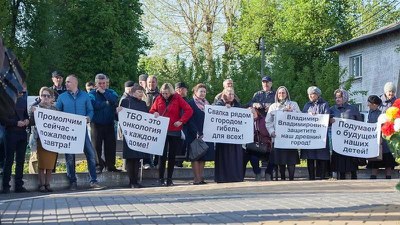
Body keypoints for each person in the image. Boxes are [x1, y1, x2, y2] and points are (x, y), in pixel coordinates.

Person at [56, 75, 103, 190]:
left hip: (82, 131)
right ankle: (73, 182)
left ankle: (93, 181)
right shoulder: (61, 97)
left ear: (75, 83)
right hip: (68, 132)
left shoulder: (85, 96)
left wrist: (88, 117)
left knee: (91, 155)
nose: (66, 84)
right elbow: (57, 113)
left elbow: (90, 110)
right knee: (70, 157)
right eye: (66, 82)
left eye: (68, 82)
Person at [150, 83, 193, 186]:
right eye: (163, 93)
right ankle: (160, 178)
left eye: (167, 93)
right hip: (162, 130)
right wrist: (154, 113)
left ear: (171, 92)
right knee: (162, 155)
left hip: (174, 130)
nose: (165, 95)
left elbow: (189, 110)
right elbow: (152, 110)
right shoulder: (158, 98)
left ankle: (169, 179)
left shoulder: (177, 98)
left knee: (172, 155)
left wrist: (181, 121)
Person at [266, 86, 301, 181]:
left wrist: (291, 112)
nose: (281, 94)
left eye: (283, 93)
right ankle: (282, 179)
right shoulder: (273, 106)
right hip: (278, 137)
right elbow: (268, 121)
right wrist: (271, 132)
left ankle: (291, 179)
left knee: (291, 160)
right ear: (277, 95)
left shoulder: (294, 104)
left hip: (290, 137)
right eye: (279, 93)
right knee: (280, 160)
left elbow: (300, 117)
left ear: (287, 94)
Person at [117, 84, 148, 188]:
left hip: (140, 135)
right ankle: (131, 181)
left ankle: (136, 181)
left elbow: (147, 117)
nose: (141, 94)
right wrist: (118, 112)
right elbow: (119, 117)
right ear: (133, 92)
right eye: (139, 92)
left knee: (138, 158)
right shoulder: (126, 101)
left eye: (142, 92)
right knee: (131, 158)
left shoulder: (143, 104)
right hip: (129, 134)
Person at [246, 76, 276, 180]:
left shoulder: (275, 94)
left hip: (271, 122)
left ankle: (268, 174)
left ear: (271, 84)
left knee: (274, 153)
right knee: (252, 153)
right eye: (264, 82)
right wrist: (255, 104)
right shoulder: (257, 94)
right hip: (258, 122)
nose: (266, 84)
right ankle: (257, 174)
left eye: (267, 82)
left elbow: (279, 104)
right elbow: (249, 104)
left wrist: (271, 106)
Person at [1, 84, 30, 193]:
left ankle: (19, 185)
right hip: (10, 133)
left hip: (22, 134)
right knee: (8, 160)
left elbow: (26, 115)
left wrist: (27, 121)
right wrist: (16, 123)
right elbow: (3, 119)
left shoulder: (23, 101)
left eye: (21, 92)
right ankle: (5, 186)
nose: (21, 93)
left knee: (21, 161)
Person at [29, 87, 58, 192]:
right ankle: (41, 185)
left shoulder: (55, 109)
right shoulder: (35, 108)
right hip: (39, 139)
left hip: (52, 139)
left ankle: (47, 184)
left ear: (51, 98)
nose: (45, 98)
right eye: (43, 95)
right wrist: (32, 113)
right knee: (41, 163)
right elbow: (31, 123)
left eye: (48, 96)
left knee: (50, 163)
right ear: (40, 96)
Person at [89, 73, 119, 173]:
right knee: (96, 146)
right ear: (96, 84)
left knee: (110, 146)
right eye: (100, 83)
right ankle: (98, 166)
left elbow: (114, 100)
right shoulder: (91, 94)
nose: (102, 85)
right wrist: (106, 103)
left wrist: (104, 93)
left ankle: (110, 166)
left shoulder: (112, 92)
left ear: (107, 83)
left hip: (109, 123)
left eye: (104, 83)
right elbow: (94, 105)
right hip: (96, 124)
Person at [329, 89, 362, 180]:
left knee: (351, 157)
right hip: (338, 139)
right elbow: (326, 123)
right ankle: (341, 177)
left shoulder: (353, 109)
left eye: (340, 97)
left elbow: (360, 122)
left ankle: (354, 176)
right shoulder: (332, 109)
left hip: (350, 139)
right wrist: (330, 121)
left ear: (345, 97)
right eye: (336, 97)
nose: (337, 99)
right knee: (339, 158)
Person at [214, 87, 244, 183]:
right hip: (223, 138)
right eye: (229, 94)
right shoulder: (219, 103)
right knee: (224, 157)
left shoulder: (237, 104)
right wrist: (224, 109)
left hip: (235, 137)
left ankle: (235, 177)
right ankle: (222, 177)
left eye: (232, 94)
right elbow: (214, 113)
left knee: (235, 157)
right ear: (224, 94)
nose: (231, 96)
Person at [186, 83, 215, 185]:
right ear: (195, 92)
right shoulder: (191, 103)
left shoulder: (208, 104)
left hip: (206, 133)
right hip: (194, 134)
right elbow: (189, 119)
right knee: (196, 156)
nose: (203, 93)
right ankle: (196, 178)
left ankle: (201, 178)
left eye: (204, 92)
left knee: (203, 156)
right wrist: (196, 132)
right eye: (201, 91)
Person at [301, 86, 330, 180]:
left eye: (312, 94)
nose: (310, 96)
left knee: (322, 156)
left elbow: (326, 117)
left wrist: (317, 116)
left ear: (317, 94)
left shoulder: (324, 104)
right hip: (310, 135)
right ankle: (311, 177)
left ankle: (322, 177)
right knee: (310, 157)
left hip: (321, 135)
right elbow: (302, 118)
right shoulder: (307, 105)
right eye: (309, 94)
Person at [367, 95, 398, 179]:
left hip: (384, 138)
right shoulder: (370, 112)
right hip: (374, 138)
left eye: (369, 103)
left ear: (374, 104)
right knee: (375, 159)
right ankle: (373, 177)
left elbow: (386, 124)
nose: (368, 105)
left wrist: (381, 136)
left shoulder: (382, 111)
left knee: (387, 159)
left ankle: (388, 177)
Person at [244, 108, 272, 181]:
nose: (252, 114)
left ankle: (268, 173)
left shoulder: (264, 120)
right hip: (253, 147)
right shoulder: (245, 122)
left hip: (265, 145)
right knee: (253, 157)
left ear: (257, 112)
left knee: (274, 155)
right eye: (249, 113)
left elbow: (266, 133)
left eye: (253, 112)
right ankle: (258, 173)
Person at [143, 75, 160, 169]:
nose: (151, 84)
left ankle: (156, 162)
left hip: (157, 123)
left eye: (153, 82)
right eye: (149, 82)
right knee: (146, 143)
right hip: (145, 123)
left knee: (157, 143)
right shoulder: (142, 94)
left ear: (156, 83)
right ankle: (147, 162)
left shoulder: (161, 95)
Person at [175, 82, 190, 168]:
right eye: (185, 89)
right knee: (176, 145)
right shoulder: (173, 99)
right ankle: (176, 163)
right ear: (180, 90)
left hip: (185, 126)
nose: (186, 91)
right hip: (176, 126)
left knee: (183, 146)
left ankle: (179, 163)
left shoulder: (187, 100)